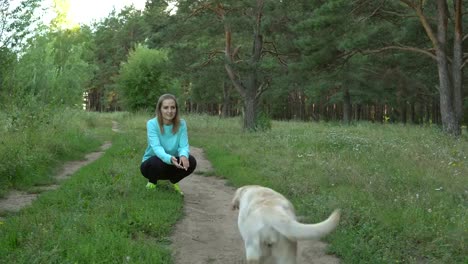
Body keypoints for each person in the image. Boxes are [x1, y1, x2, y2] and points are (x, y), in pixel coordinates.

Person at [140, 94, 197, 195]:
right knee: (155, 160)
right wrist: (170, 158)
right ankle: (152, 183)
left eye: (173, 107)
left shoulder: (182, 124)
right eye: (166, 107)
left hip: (173, 164)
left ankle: (173, 181)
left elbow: (183, 146)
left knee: (191, 161)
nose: (170, 111)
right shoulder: (152, 124)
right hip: (152, 165)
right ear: (160, 109)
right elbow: (156, 147)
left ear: (176, 109)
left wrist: (183, 155)